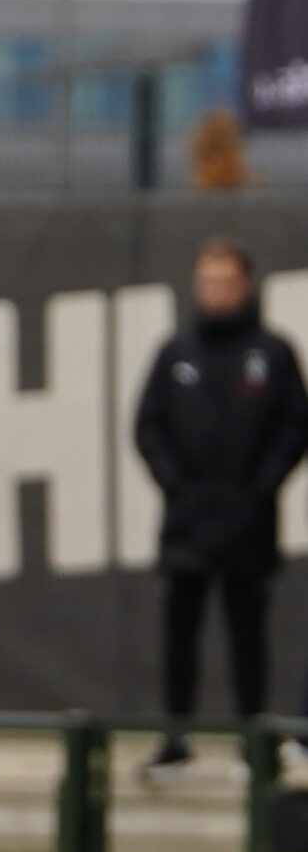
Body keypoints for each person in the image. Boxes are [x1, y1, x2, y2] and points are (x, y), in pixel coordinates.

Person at [133, 238, 308, 777]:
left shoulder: (272, 353)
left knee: (247, 634)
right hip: (187, 523)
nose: (215, 291)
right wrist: (176, 486)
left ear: (245, 285)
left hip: (248, 526)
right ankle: (176, 739)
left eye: (224, 281)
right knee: (180, 631)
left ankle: (250, 741)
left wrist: (260, 488)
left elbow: (294, 426)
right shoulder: (176, 352)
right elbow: (147, 426)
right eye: (206, 281)